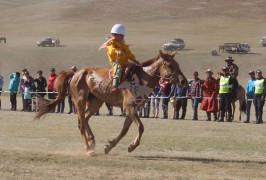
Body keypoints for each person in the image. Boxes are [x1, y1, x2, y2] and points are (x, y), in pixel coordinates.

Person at [103, 24, 139, 92]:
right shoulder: (110, 43)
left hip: (124, 61)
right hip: (116, 61)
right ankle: (115, 85)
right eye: (121, 35)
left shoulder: (122, 44)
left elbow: (128, 53)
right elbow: (111, 50)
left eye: (123, 35)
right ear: (115, 34)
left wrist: (134, 59)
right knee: (118, 69)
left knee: (133, 67)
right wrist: (117, 51)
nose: (123, 36)